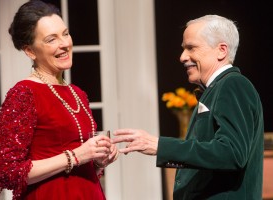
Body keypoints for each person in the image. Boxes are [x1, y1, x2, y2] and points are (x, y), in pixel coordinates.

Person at [112, 14, 264, 199]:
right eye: (184, 49)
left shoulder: (233, 85)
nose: (183, 57)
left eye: (191, 48)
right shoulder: (216, 89)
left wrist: (161, 146)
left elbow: (232, 153)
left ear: (221, 50)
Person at [0, 1, 118, 199]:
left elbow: (78, 165)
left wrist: (98, 160)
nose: (65, 44)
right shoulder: (24, 94)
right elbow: (7, 172)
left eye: (65, 34)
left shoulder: (78, 93)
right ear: (30, 51)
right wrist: (76, 155)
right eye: (51, 39)